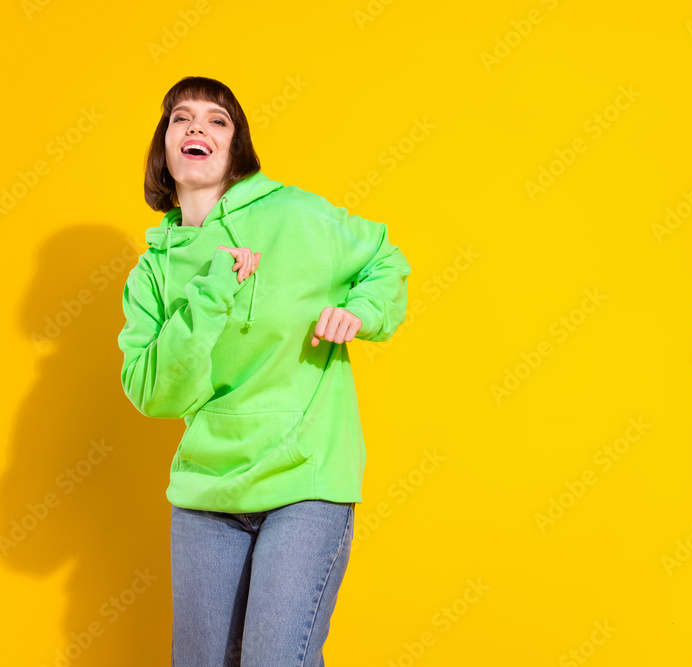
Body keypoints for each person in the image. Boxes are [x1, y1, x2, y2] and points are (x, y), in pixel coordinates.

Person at [117, 75, 411, 666]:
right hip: (207, 490)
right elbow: (155, 393)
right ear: (165, 147)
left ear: (235, 148)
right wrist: (212, 289)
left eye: (217, 120)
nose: (197, 126)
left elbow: (385, 258)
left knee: (276, 659)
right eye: (181, 118)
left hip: (305, 477)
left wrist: (360, 312)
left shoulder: (295, 216)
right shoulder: (151, 274)